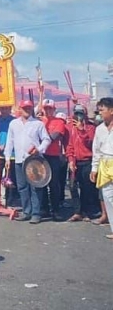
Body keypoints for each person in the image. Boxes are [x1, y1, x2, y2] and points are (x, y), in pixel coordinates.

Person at [4, 100, 51, 224]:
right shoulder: (13, 124)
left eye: (29, 108)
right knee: (22, 187)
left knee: (35, 187)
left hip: (34, 160)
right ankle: (26, 211)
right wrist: (7, 157)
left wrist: (39, 149)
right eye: (25, 108)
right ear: (20, 109)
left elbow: (46, 139)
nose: (27, 110)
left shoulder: (38, 124)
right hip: (19, 159)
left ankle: (36, 213)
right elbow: (10, 141)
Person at [66, 104, 99, 222]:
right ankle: (77, 211)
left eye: (80, 113)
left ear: (85, 115)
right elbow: (70, 146)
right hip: (75, 161)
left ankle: (85, 211)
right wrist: (70, 160)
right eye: (76, 113)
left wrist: (82, 130)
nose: (78, 116)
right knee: (72, 186)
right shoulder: (71, 128)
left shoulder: (91, 128)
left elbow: (91, 144)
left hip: (87, 161)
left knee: (86, 188)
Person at [41, 99, 69, 220]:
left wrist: (41, 138)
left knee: (54, 184)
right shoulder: (39, 121)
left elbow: (53, 136)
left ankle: (56, 210)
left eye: (50, 108)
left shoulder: (59, 122)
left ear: (54, 109)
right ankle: (44, 209)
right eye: (46, 108)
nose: (48, 110)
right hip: (41, 156)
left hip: (53, 156)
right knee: (41, 183)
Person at [90, 97, 113, 239]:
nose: (100, 113)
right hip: (105, 163)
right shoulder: (99, 129)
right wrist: (94, 168)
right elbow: (96, 150)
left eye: (102, 110)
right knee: (108, 197)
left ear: (111, 111)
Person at [0, 106, 17, 207]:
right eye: (2, 109)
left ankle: (10, 201)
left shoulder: (14, 121)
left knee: (10, 178)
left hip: (12, 154)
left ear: (10, 109)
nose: (4, 111)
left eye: (6, 109)